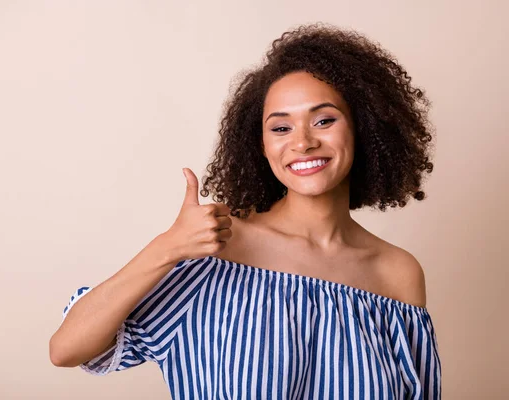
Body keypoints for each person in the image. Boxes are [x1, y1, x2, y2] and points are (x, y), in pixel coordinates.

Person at [49, 22, 442, 399]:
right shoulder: (218, 249)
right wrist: (166, 248)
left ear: (363, 128)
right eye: (281, 128)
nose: (302, 143)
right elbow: (67, 349)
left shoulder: (397, 273)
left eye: (323, 120)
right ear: (261, 146)